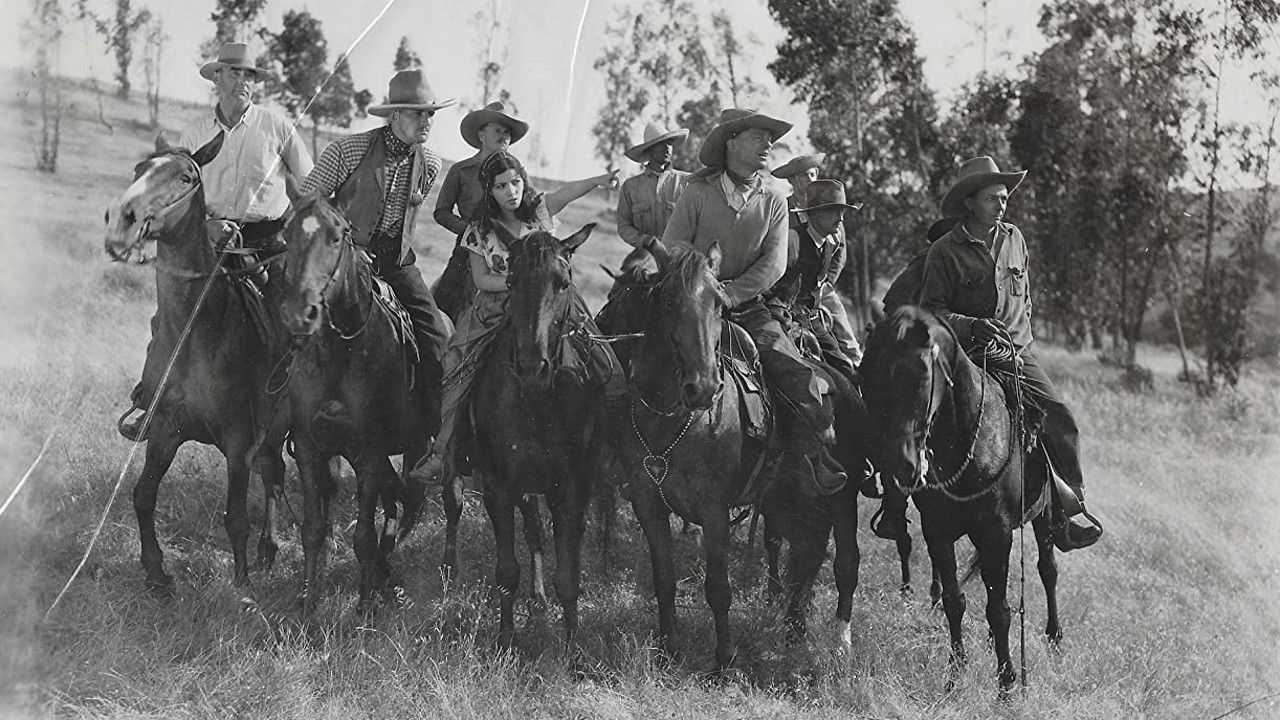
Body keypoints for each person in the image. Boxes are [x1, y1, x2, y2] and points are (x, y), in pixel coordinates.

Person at [873, 155, 1103, 551]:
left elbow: (1024, 297)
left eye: (1004, 197)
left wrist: (1019, 337)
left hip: (1015, 351)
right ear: (969, 202)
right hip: (966, 353)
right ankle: (897, 504)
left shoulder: (1015, 238)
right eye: (993, 198)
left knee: (1060, 418)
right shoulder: (945, 251)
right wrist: (972, 326)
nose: (1002, 204)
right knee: (911, 409)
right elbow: (933, 310)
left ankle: (1067, 512)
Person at [118, 42, 313, 442]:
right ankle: (150, 401)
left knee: (286, 315)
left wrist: (295, 231)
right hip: (211, 241)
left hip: (267, 243)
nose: (241, 82)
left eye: (248, 76)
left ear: (254, 84)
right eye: (233, 73)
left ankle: (293, 413)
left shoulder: (278, 128)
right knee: (170, 314)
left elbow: (310, 187)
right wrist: (206, 225)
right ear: (217, 79)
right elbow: (178, 192)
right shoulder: (195, 132)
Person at [661, 108, 846, 494]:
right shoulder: (696, 192)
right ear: (731, 142)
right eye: (758, 137)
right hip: (693, 305)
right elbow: (673, 244)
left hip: (748, 307)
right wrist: (704, 282)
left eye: (770, 139)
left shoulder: (774, 201)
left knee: (795, 373)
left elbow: (774, 263)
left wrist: (730, 294)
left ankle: (810, 460)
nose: (768, 145)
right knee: (633, 354)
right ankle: (623, 461)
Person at [412, 152, 624, 482]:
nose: (511, 191)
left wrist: (597, 180)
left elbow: (565, 192)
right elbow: (481, 279)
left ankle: (614, 452)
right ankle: (443, 452)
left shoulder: (539, 210)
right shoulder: (478, 230)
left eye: (516, 182)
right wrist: (520, 286)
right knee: (456, 369)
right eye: (501, 186)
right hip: (496, 309)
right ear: (489, 190)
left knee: (604, 361)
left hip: (550, 306)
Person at [297, 68, 455, 395]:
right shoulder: (348, 151)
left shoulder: (431, 164)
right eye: (417, 114)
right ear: (394, 115)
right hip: (342, 261)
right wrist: (342, 247)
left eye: (430, 114)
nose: (426, 121)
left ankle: (428, 428)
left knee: (436, 334)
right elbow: (304, 205)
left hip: (397, 263)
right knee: (295, 324)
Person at [432, 102, 530, 321]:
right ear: (481, 134)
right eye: (498, 130)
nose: (504, 136)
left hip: (509, 253)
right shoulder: (461, 171)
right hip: (468, 252)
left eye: (507, 132)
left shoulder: (518, 172)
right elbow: (441, 212)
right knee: (443, 305)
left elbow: (529, 209)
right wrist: (472, 231)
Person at [765, 179, 863, 383]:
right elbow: (768, 280)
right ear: (814, 214)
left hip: (811, 318)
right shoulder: (793, 240)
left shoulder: (831, 244)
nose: (840, 218)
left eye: (842, 212)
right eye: (833, 211)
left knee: (845, 368)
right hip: (780, 317)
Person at [616, 122, 691, 270]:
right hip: (645, 255)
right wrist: (644, 240)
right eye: (661, 144)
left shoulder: (686, 182)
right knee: (624, 285)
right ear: (649, 151)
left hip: (679, 257)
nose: (667, 148)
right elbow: (624, 226)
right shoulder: (631, 187)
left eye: (670, 143)